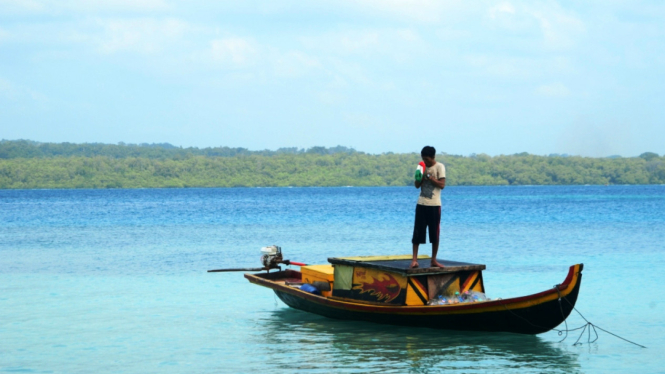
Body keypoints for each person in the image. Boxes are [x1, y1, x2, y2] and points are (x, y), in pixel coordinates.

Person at [410, 146, 446, 269]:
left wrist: (431, 178)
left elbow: (442, 185)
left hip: (434, 205)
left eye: (427, 159)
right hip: (421, 204)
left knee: (434, 233)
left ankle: (433, 260)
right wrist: (420, 177)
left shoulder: (439, 167)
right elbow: (416, 185)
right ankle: (414, 260)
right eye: (423, 159)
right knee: (417, 232)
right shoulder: (421, 166)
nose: (425, 161)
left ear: (433, 157)